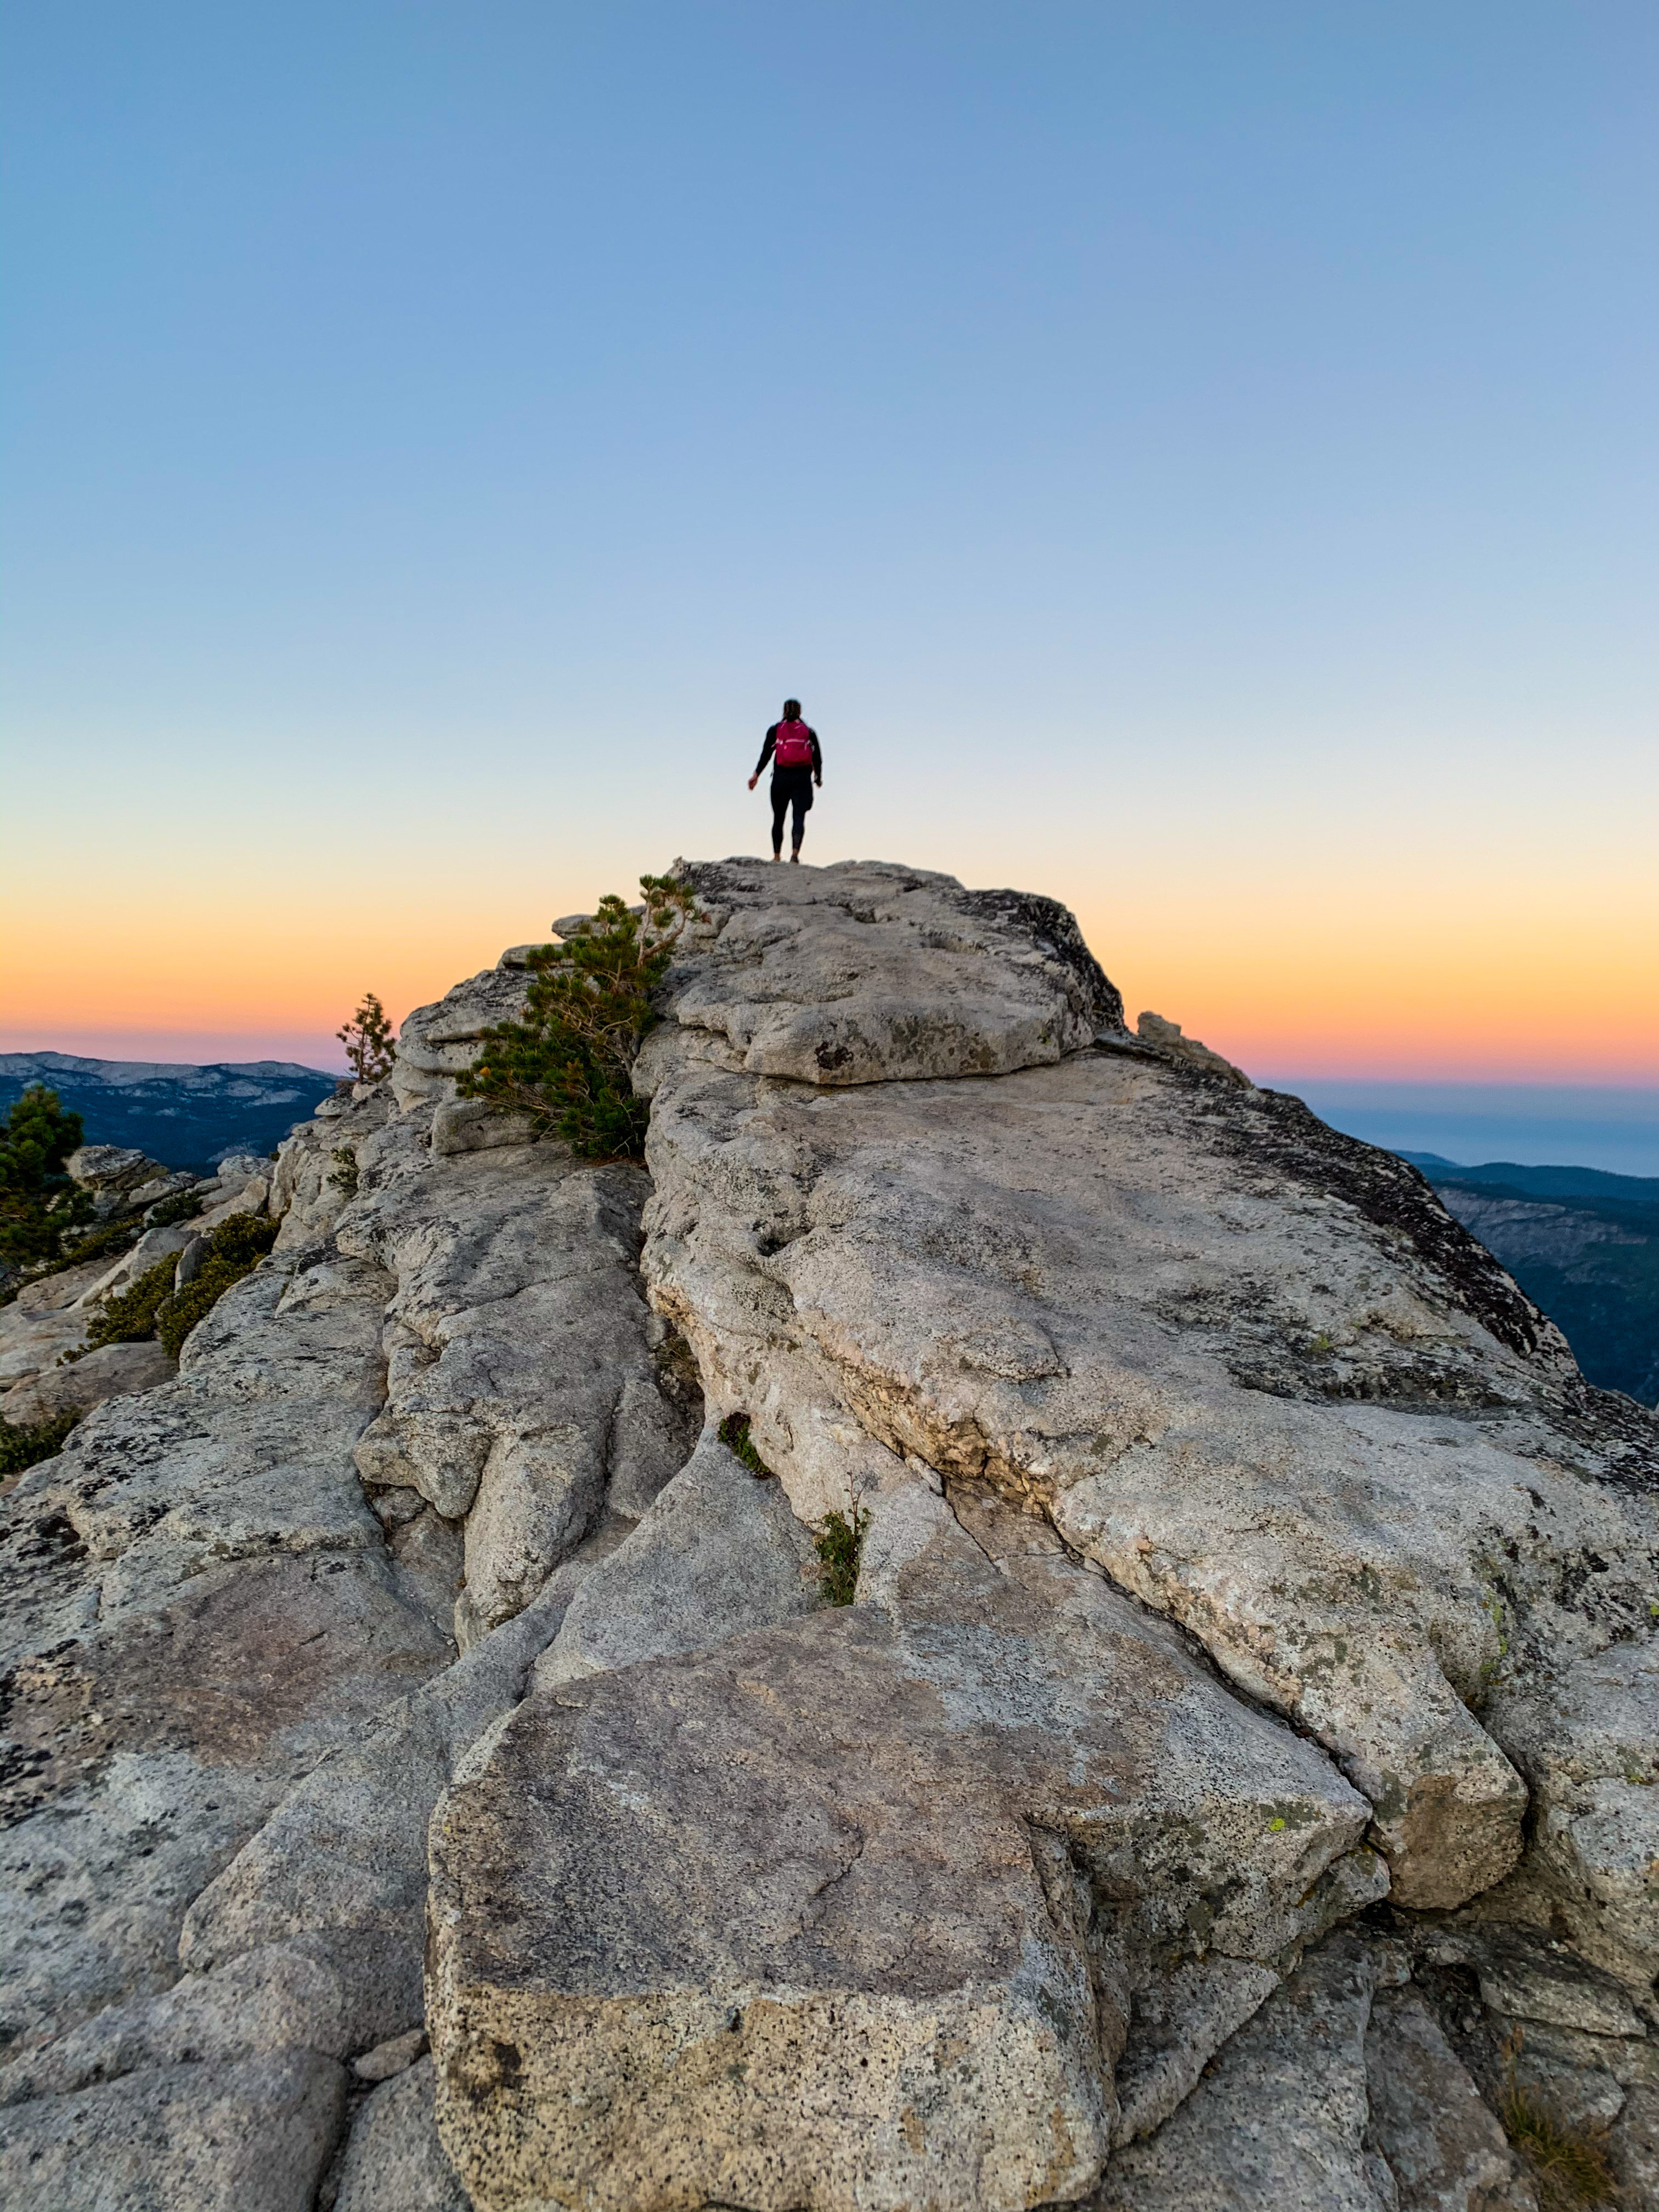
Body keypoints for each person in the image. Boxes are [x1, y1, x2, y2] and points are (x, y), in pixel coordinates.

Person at [748, 698, 822, 862]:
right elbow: (817, 757)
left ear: (783, 712)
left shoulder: (776, 730)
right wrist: (818, 778)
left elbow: (766, 755)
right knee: (799, 817)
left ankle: (776, 857)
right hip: (802, 779)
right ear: (800, 712)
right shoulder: (809, 732)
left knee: (778, 818)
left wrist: (756, 775)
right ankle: (795, 855)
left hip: (781, 778)